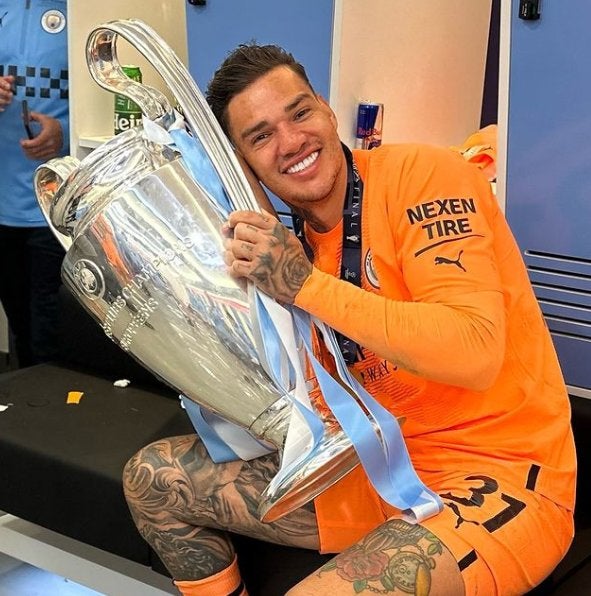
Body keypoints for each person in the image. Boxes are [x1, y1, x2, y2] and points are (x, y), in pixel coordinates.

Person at [123, 43, 576, 595]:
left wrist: (306, 287)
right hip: (373, 468)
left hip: (495, 476)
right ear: (243, 164)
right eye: (261, 137)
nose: (292, 141)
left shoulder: (425, 175)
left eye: (300, 112)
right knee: (153, 480)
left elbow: (474, 351)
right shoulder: (283, 246)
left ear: (327, 109)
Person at [0, 0, 69, 367]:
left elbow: (106, 103)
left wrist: (64, 133)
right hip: (3, 209)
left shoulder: (84, 11)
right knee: (23, 337)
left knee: (53, 341)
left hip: (58, 207)